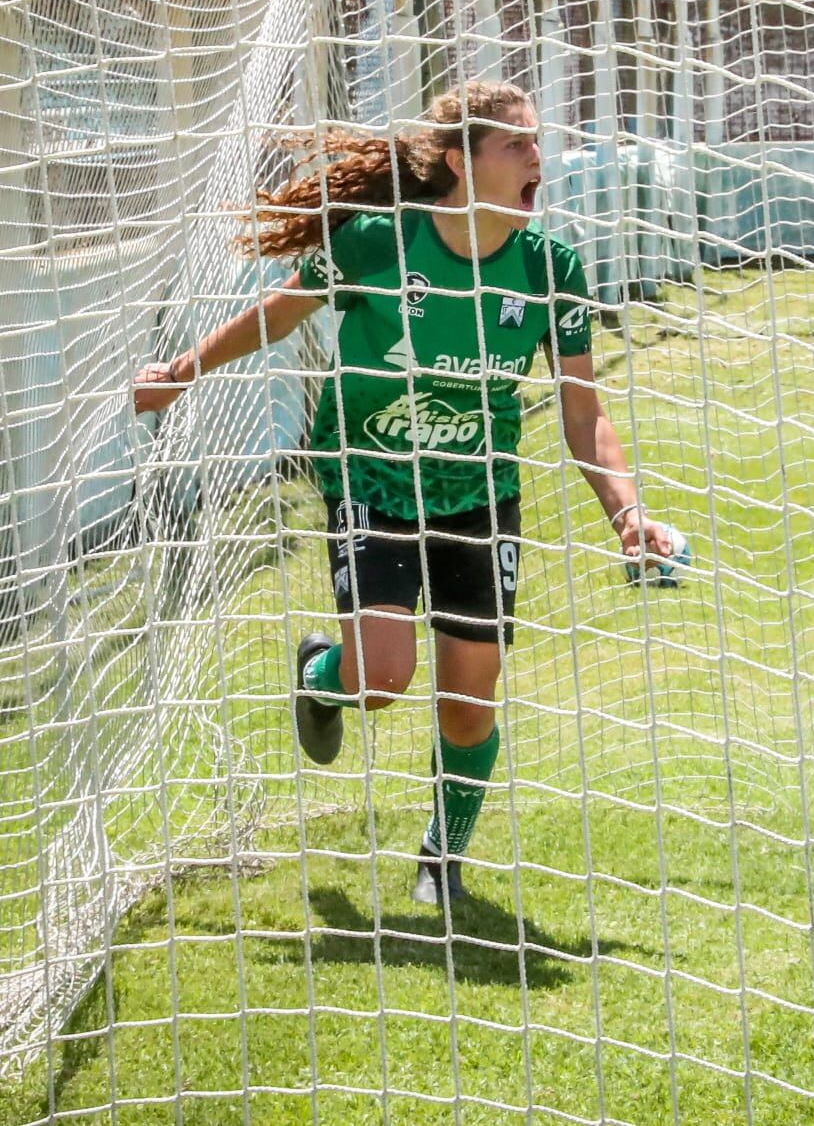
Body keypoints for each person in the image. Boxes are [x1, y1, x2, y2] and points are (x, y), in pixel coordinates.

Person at [133, 80, 672, 905]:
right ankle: (320, 672)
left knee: (467, 705)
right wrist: (180, 374)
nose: (539, 159)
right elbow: (278, 314)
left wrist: (626, 513)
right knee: (382, 677)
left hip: (477, 489)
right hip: (369, 471)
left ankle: (439, 859)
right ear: (460, 162)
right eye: (517, 145)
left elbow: (582, 412)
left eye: (537, 143)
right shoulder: (378, 243)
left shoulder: (551, 269)